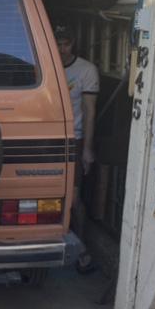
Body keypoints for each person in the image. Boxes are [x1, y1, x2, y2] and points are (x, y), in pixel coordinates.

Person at [55, 24, 99, 273]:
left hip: (74, 139)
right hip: (46, 138)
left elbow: (90, 112)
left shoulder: (86, 70)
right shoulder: (41, 63)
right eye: (57, 42)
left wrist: (87, 149)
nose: (61, 49)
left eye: (66, 43)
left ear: (73, 44)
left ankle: (80, 249)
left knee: (73, 199)